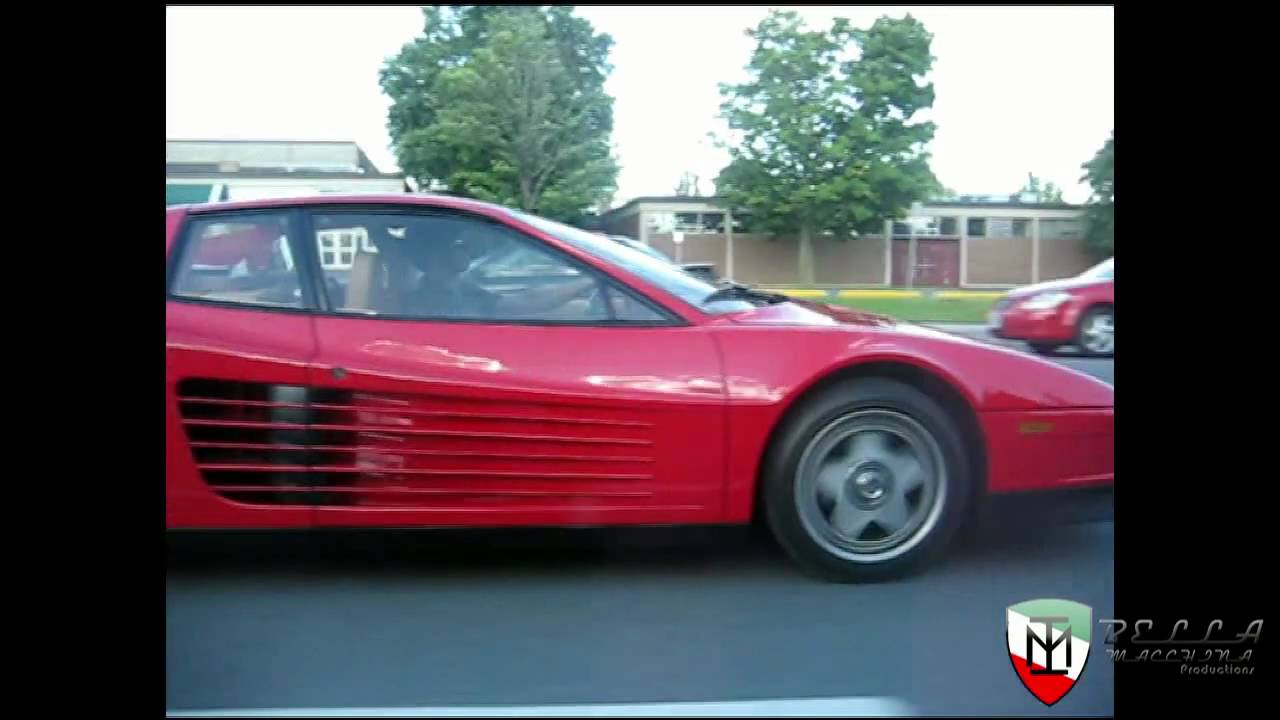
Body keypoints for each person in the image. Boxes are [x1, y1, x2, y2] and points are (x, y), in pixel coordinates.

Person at [394, 218, 599, 320]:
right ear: (437, 253)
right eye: (460, 243)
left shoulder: (459, 289)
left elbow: (525, 302)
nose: (468, 249)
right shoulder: (433, 301)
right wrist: (592, 279)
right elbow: (526, 302)